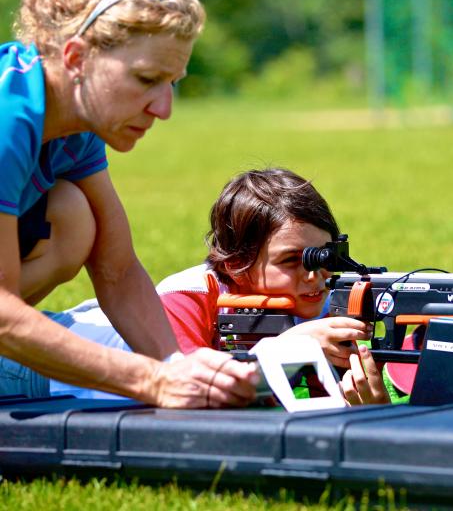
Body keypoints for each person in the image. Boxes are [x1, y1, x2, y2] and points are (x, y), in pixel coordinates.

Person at [0, 0, 259, 408]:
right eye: (146, 80)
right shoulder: (8, 120)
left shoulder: (72, 117)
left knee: (74, 217)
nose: (163, 108)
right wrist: (150, 382)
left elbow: (117, 271)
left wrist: (177, 366)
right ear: (77, 58)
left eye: (172, 84)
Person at [13, 168, 390, 406]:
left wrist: (359, 402)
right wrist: (288, 350)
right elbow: (190, 388)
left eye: (324, 257)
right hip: (32, 365)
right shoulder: (189, 293)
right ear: (235, 262)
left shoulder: (317, 300)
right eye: (291, 260)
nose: (315, 276)